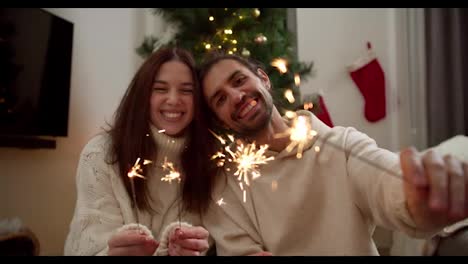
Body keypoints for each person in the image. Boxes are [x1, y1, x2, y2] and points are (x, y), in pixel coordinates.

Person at [197, 51, 468, 256]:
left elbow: (387, 183)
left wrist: (416, 197)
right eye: (220, 99)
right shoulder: (226, 185)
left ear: (264, 80)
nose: (235, 96)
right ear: (221, 121)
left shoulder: (341, 144)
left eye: (239, 80)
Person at [64, 46, 214, 256]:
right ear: (143, 94)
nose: (173, 99)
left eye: (187, 91)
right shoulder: (101, 154)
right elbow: (85, 248)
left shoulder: (211, 160)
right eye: (160, 89)